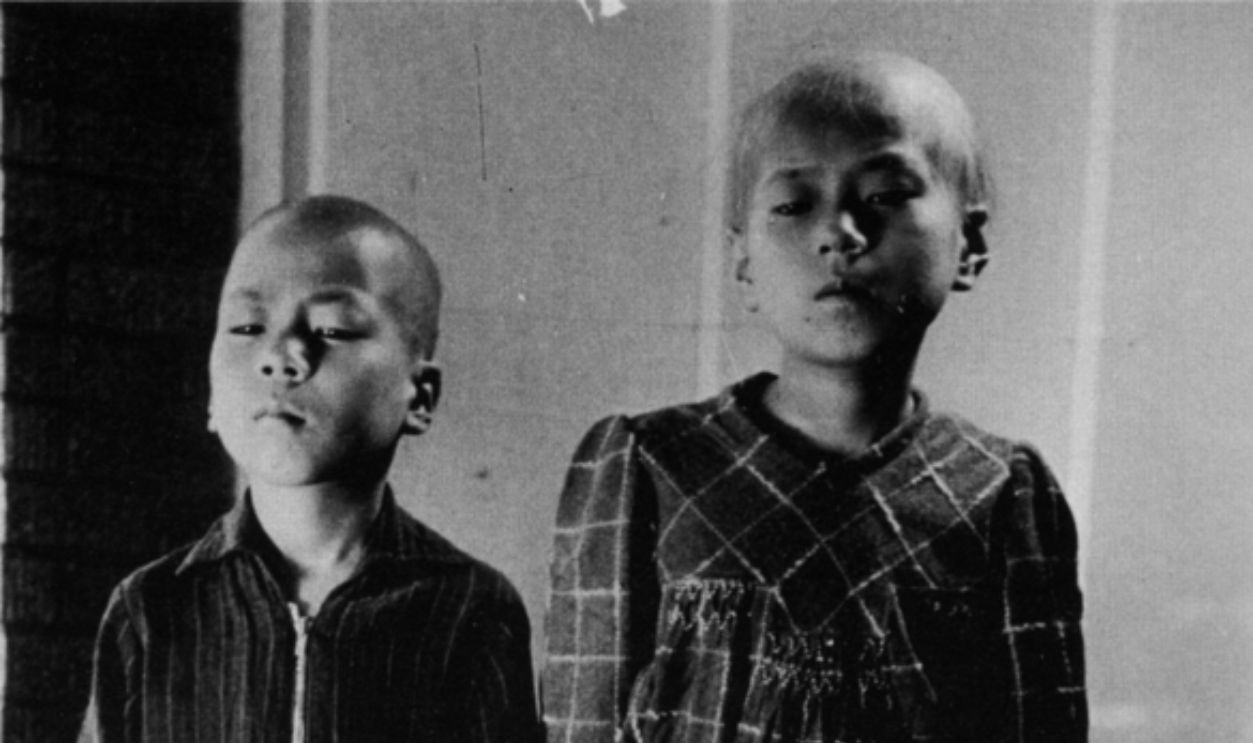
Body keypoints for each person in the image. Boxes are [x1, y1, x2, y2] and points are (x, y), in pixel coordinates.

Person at [542, 53, 1086, 742]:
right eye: (795, 204)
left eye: (886, 195)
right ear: (741, 259)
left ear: (969, 243)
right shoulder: (647, 465)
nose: (838, 234)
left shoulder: (1003, 492)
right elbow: (578, 722)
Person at [79, 195, 541, 743]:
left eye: (333, 330)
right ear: (209, 388)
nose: (281, 355)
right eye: (248, 327)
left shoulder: (471, 607)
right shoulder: (151, 611)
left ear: (420, 395)